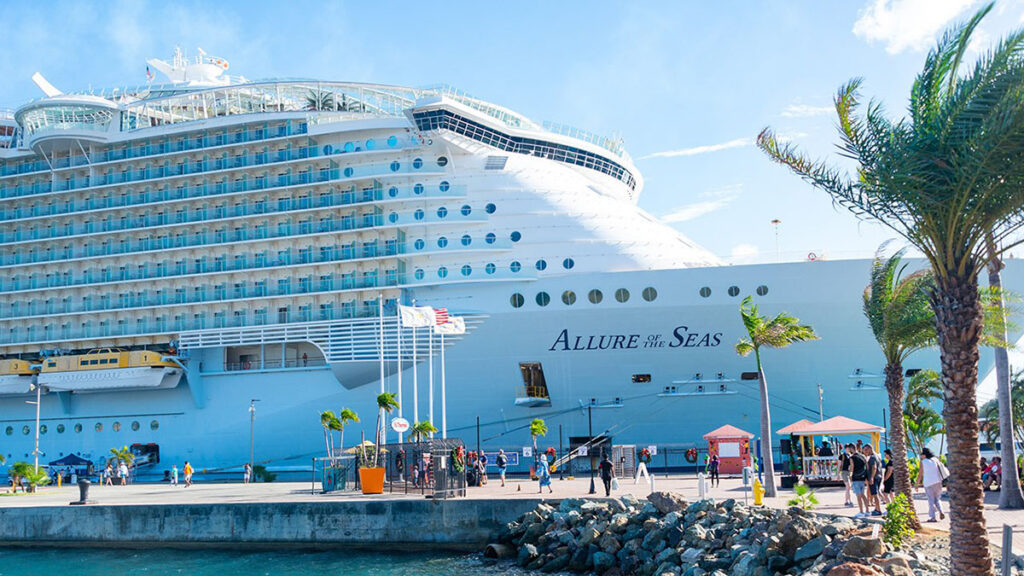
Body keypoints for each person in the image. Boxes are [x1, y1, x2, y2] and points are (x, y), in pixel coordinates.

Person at [918, 447, 947, 522]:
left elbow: (920, 474)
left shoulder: (923, 462)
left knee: (931, 500)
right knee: (937, 499)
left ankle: (932, 517)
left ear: (924, 455)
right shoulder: (935, 460)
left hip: (928, 483)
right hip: (938, 482)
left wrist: (917, 484)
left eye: (921, 454)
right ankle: (941, 511)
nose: (920, 456)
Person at [863, 444, 883, 516]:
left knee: (875, 494)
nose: (865, 452)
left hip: (874, 477)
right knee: (875, 493)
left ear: (870, 449)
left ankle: (878, 510)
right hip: (879, 476)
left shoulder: (872, 457)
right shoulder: (877, 456)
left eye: (866, 450)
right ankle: (876, 508)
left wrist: (871, 477)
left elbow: (874, 467)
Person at [850, 444, 869, 517]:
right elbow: (867, 466)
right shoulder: (863, 456)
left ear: (851, 449)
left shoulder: (852, 457)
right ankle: (867, 510)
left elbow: (852, 468)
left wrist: (850, 477)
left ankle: (861, 512)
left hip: (856, 477)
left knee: (858, 495)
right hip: (863, 477)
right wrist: (867, 477)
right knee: (863, 494)